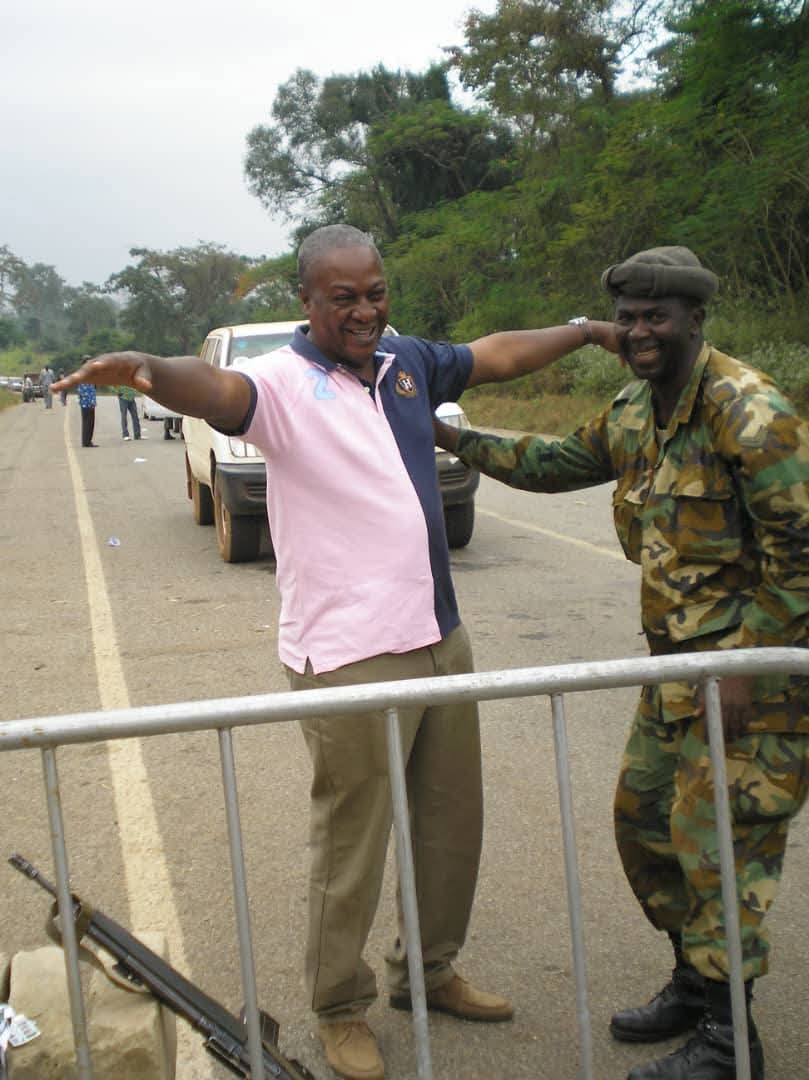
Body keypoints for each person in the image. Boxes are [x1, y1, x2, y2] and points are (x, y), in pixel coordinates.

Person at [52, 224, 618, 1080]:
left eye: (375, 293)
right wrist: (148, 371)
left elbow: (495, 354)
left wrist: (582, 331)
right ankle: (338, 1006)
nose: (364, 310)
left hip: (438, 634)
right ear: (308, 302)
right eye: (343, 297)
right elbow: (216, 390)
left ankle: (427, 973)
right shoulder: (280, 384)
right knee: (351, 842)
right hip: (349, 654)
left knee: (449, 825)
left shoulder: (403, 362)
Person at [434, 246, 809, 1080]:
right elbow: (557, 464)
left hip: (752, 683)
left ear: (692, 320)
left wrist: (747, 666)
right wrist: (447, 436)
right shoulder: (637, 405)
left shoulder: (748, 411)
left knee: (719, 850)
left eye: (656, 318)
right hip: (675, 676)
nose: (639, 332)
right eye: (628, 318)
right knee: (644, 829)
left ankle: (731, 1042)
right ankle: (694, 985)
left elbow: (802, 551)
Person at [77, 379, 97, 447]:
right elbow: (81, 393)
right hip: (86, 404)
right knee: (87, 424)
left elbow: (93, 391)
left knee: (91, 423)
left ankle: (88, 441)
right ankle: (85, 442)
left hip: (91, 404)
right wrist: (90, 402)